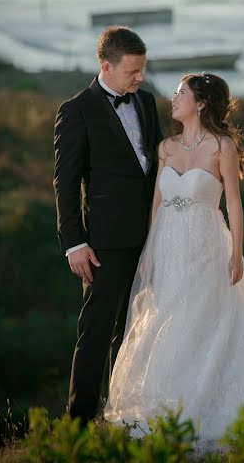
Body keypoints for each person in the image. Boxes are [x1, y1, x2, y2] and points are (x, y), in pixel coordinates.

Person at [103, 72, 244, 447]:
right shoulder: (166, 147)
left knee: (202, 319)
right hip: (167, 244)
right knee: (166, 318)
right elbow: (158, 202)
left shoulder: (222, 146)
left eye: (181, 94)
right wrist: (148, 251)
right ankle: (165, 401)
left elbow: (235, 204)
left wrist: (237, 253)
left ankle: (202, 402)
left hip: (207, 245)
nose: (173, 100)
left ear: (201, 103)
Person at [53, 26, 163, 424]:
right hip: (103, 242)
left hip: (149, 236)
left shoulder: (147, 103)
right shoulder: (76, 109)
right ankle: (79, 423)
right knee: (96, 330)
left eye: (142, 70)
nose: (141, 78)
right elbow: (64, 182)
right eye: (133, 71)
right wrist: (73, 242)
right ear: (106, 66)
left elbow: (154, 169)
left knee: (134, 328)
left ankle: (120, 413)